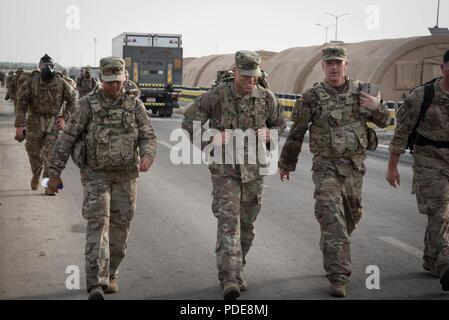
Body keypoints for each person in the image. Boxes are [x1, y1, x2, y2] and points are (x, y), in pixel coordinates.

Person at [278, 46, 390, 297]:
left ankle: (331, 246)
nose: (333, 67)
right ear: (322, 66)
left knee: (351, 218)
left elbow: (385, 123)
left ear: (346, 65)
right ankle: (339, 276)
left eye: (338, 62)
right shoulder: (312, 97)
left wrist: (376, 107)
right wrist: (286, 163)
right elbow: (297, 132)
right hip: (325, 165)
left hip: (353, 167)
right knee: (331, 217)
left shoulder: (362, 92)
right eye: (329, 63)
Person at [46, 56, 157, 300]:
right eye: (109, 82)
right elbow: (66, 139)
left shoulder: (134, 104)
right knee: (98, 224)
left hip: (126, 176)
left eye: (118, 81)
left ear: (124, 78)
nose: (114, 86)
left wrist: (147, 157)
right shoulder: (87, 104)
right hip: (95, 175)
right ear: (100, 80)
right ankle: (95, 282)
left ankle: (111, 273)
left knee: (120, 229)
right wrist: (53, 174)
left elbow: (148, 135)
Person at [182, 50, 285, 300]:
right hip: (224, 169)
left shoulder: (266, 97)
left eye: (254, 76)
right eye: (246, 75)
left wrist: (271, 135)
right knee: (230, 222)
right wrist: (210, 138)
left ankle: (238, 270)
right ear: (235, 71)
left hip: (254, 171)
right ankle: (229, 277)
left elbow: (280, 124)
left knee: (247, 225)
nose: (250, 80)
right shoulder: (217, 95)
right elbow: (188, 122)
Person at [386, 49, 449, 291]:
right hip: (429, 160)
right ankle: (445, 264)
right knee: (440, 211)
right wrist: (392, 167)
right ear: (442, 68)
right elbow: (401, 133)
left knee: (443, 215)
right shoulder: (422, 96)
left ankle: (432, 258)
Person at [15, 54, 75, 194]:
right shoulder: (31, 82)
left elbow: (73, 101)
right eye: (44, 65)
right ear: (39, 67)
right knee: (33, 152)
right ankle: (36, 173)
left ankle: (48, 185)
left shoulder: (62, 83)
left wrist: (64, 117)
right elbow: (21, 103)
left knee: (51, 156)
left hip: (54, 123)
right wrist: (20, 125)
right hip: (35, 121)